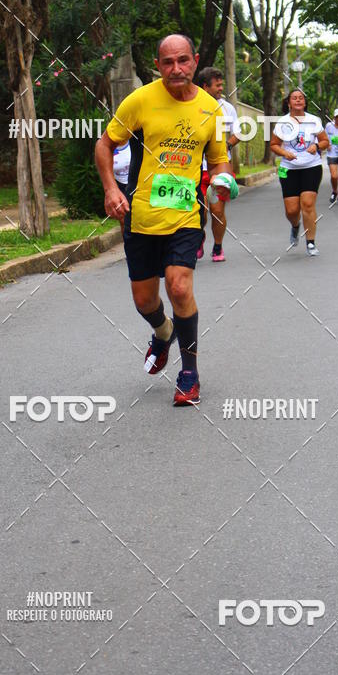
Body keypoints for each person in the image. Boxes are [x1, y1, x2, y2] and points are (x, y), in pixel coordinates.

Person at [95, 34, 235, 406]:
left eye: (184, 60)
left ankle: (189, 372)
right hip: (140, 216)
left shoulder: (211, 109)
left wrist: (223, 180)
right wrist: (112, 189)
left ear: (195, 60)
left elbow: (219, 158)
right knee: (145, 300)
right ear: (158, 65)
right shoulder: (141, 100)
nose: (176, 69)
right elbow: (104, 144)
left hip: (186, 215)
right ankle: (162, 331)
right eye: (168, 62)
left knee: (179, 287)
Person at [270, 89, 329, 256]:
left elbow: (325, 141)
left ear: (304, 102)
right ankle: (295, 226)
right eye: (294, 98)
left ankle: (310, 242)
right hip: (288, 169)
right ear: (288, 103)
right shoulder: (282, 123)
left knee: (308, 205)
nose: (298, 100)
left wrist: (316, 146)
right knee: (292, 211)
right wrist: (285, 153)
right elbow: (274, 145)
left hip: (311, 166)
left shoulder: (313, 120)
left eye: (301, 98)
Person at [196, 67, 240, 262]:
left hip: (219, 167)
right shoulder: (192, 106)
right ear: (205, 86)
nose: (221, 88)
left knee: (217, 210)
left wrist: (226, 145)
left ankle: (218, 245)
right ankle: (199, 238)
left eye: (222, 84)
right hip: (196, 168)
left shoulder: (227, 108)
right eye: (217, 85)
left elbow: (238, 133)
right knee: (199, 211)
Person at [112, 141, 131, 233]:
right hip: (119, 186)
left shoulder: (134, 142)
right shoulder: (108, 147)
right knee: (123, 220)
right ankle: (127, 245)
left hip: (135, 184)